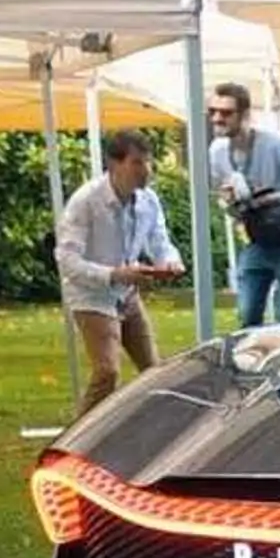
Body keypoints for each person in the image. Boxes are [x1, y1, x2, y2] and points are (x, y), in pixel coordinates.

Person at [53, 129, 183, 418]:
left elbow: (161, 242)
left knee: (154, 371)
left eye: (148, 163)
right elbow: (66, 260)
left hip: (127, 293)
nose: (145, 171)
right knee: (107, 371)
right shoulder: (85, 202)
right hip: (91, 295)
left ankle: (150, 429)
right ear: (114, 164)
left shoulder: (148, 201)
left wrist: (170, 263)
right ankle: (77, 440)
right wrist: (113, 274)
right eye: (137, 163)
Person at [207, 81, 280, 327]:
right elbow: (224, 198)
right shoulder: (217, 152)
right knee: (248, 313)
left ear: (245, 115)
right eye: (213, 112)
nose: (218, 118)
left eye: (226, 113)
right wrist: (230, 201)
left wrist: (275, 197)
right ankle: (252, 362)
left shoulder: (278, 144)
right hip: (257, 238)